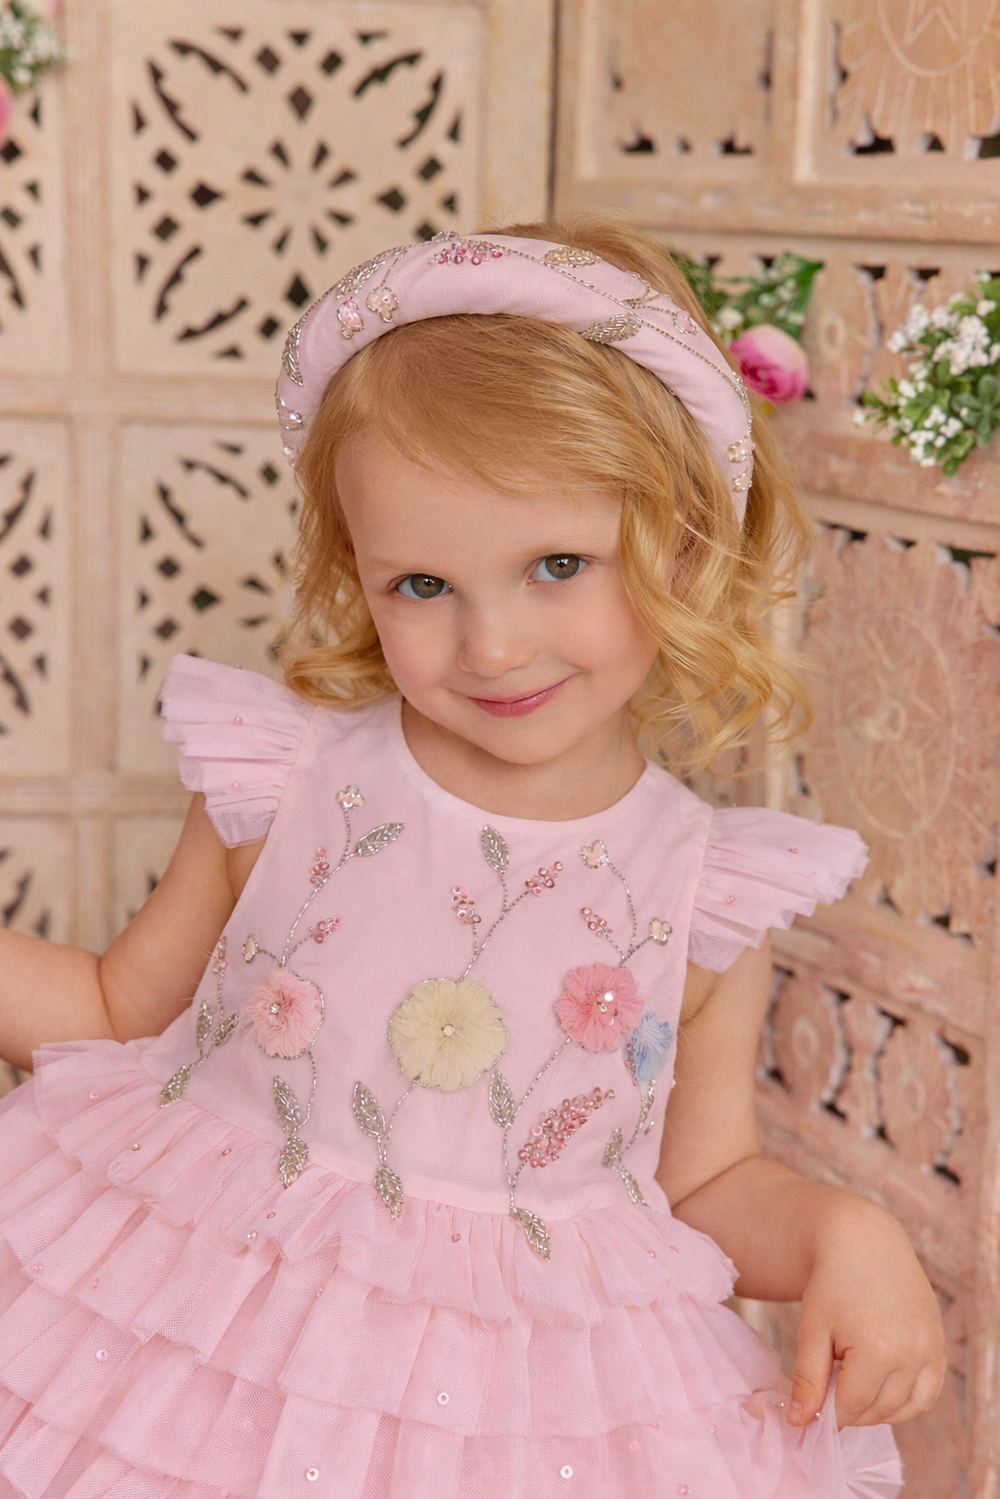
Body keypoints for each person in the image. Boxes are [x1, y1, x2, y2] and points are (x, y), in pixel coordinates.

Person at [0, 216, 943, 1499]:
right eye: (421, 586)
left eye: (558, 564)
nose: (491, 644)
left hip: (511, 1422)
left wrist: (850, 1227)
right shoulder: (285, 787)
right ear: (357, 570)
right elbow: (113, 1008)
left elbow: (706, 1186)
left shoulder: (699, 890)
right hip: (202, 1354)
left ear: (681, 545)